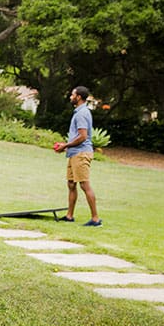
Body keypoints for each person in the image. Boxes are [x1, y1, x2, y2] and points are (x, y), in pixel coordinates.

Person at [54, 85, 102, 226]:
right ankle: (69, 216)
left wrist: (65, 146)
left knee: (84, 185)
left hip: (81, 154)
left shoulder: (82, 113)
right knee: (71, 184)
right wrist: (66, 146)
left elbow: (82, 137)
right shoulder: (79, 112)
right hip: (74, 153)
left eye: (72, 95)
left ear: (78, 97)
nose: (70, 97)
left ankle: (95, 219)